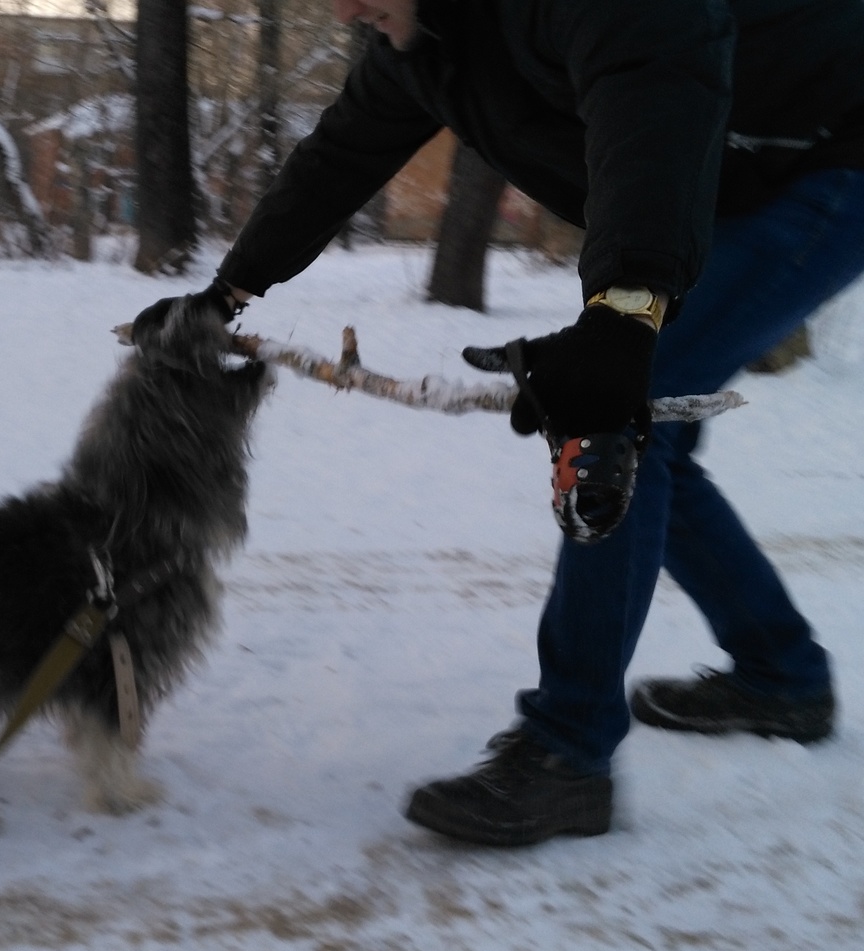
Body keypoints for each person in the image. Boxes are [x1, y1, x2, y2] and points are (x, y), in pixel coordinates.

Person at [150, 0, 864, 846]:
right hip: (728, 172)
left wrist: (624, 310)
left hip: (827, 156)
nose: (344, 8)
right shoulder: (421, 44)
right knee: (647, 424)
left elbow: (655, 91)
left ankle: (568, 752)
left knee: (620, 412)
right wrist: (226, 293)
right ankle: (781, 673)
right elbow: (338, 158)